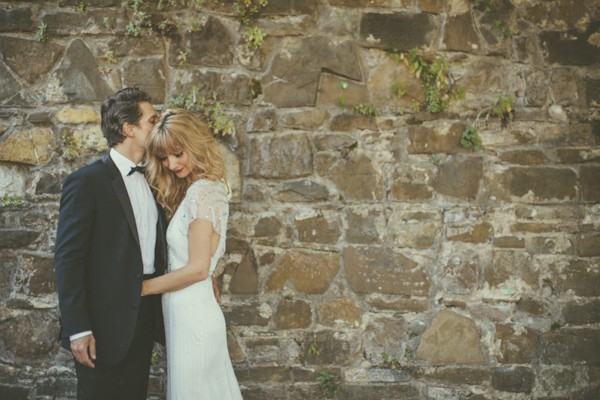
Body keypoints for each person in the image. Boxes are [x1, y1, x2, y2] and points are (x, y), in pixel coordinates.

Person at [54, 87, 167, 399]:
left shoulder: (156, 179)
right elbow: (68, 260)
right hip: (101, 325)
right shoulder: (86, 182)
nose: (158, 127)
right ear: (129, 129)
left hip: (144, 317)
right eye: (153, 120)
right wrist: (78, 328)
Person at [141, 108, 243, 399]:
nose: (171, 164)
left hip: (194, 315)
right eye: (163, 158)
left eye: (177, 153)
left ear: (194, 143)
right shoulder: (199, 189)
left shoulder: (202, 192)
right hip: (185, 311)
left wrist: (140, 288)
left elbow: (198, 268)